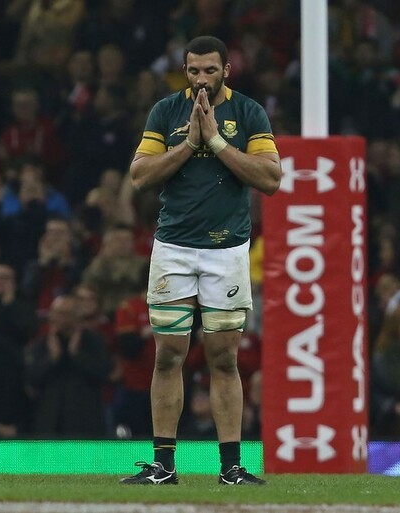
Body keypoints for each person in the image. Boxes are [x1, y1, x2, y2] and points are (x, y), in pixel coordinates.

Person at [120, 36, 280, 486]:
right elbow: (139, 175)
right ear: (185, 71)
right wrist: (190, 144)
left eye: (210, 70)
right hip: (173, 248)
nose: (201, 79)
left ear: (227, 70)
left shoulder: (248, 113)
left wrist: (217, 142)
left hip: (227, 250)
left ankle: (231, 468)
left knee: (224, 358)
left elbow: (271, 179)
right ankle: (164, 466)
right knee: (168, 356)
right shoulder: (166, 111)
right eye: (194, 71)